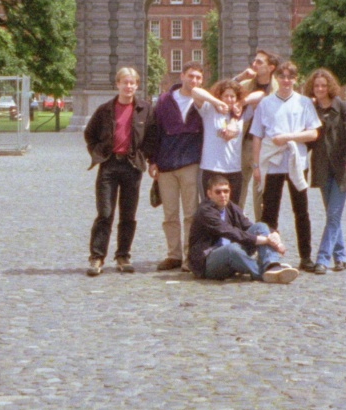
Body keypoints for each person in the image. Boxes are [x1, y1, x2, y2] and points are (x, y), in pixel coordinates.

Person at [146, 63, 229, 272]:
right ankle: (173, 254)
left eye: (199, 78)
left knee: (191, 214)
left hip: (191, 163)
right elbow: (155, 131)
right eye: (191, 76)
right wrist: (152, 160)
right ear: (181, 76)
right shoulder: (165, 100)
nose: (194, 81)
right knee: (170, 214)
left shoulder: (202, 101)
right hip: (166, 163)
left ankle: (189, 257)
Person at [83, 67, 153, 276]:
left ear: (137, 85)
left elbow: (152, 135)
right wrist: (98, 152)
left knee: (128, 214)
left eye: (132, 83)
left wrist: (143, 155)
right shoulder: (105, 110)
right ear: (118, 84)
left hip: (132, 166)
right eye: (125, 82)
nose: (128, 86)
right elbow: (90, 134)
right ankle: (97, 257)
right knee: (104, 213)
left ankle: (123, 255)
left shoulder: (145, 109)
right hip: (109, 165)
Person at [250, 61, 321, 269]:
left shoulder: (304, 102)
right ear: (276, 79)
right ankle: (268, 256)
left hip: (296, 161)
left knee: (301, 210)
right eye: (282, 77)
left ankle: (306, 256)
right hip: (272, 162)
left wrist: (289, 137)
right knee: (270, 212)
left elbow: (313, 132)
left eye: (290, 77)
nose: (286, 81)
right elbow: (256, 135)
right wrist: (255, 165)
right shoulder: (266, 103)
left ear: (295, 79)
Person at [188, 173, 299, 284]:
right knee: (231, 249)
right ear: (209, 194)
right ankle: (263, 273)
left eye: (226, 191)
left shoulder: (230, 207)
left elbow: (249, 226)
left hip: (232, 255)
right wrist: (266, 240)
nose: (223, 195)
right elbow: (230, 232)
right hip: (207, 262)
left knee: (260, 226)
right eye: (218, 192)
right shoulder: (205, 211)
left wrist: (274, 235)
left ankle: (272, 265)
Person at [306, 68, 346, 274]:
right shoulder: (311, 109)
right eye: (316, 85)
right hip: (322, 168)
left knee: (332, 214)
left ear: (330, 86)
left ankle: (322, 259)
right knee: (333, 215)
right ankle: (340, 256)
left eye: (323, 85)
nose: (320, 89)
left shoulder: (344, 107)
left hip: (342, 168)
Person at [232, 49, 277, 218]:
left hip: (267, 145)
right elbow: (222, 92)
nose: (254, 65)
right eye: (254, 61)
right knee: (238, 188)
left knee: (261, 191)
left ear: (271, 67)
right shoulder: (245, 85)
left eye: (259, 62)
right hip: (245, 143)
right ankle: (235, 226)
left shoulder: (277, 88)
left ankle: (261, 229)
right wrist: (241, 77)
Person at [198, 79, 246, 204]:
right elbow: (195, 91)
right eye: (226, 96)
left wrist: (241, 103)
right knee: (209, 209)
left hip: (233, 168)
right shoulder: (210, 110)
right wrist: (216, 102)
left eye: (232, 96)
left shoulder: (241, 113)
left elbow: (260, 95)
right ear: (220, 96)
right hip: (211, 167)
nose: (229, 99)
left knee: (232, 209)